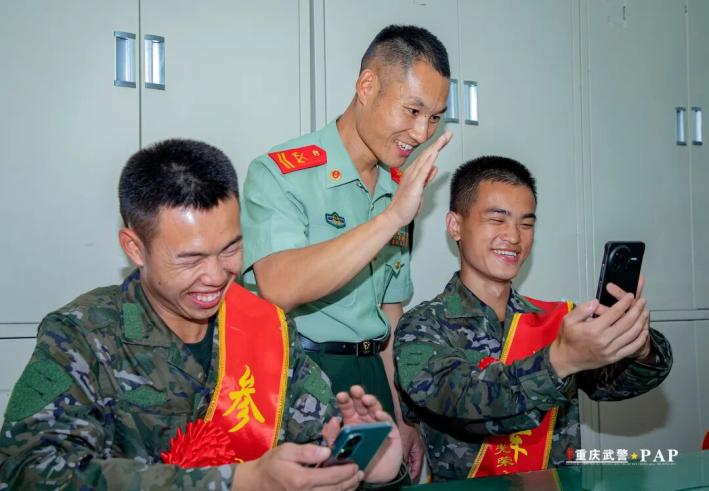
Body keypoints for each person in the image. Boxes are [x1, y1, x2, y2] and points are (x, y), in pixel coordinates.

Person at [0, 139, 405, 490]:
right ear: (135, 248)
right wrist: (234, 482)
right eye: (190, 259)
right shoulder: (82, 335)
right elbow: (27, 471)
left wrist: (368, 461)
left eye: (231, 249)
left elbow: (313, 443)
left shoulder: (266, 328)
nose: (215, 276)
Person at [240, 24, 452, 480]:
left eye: (435, 118)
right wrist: (391, 218)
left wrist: (402, 417)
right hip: (302, 376)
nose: (421, 132)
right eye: (413, 110)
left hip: (372, 381)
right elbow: (279, 286)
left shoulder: (397, 189)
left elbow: (389, 316)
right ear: (367, 86)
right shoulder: (282, 174)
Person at [394, 156, 672, 481]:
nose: (514, 236)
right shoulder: (421, 328)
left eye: (526, 224)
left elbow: (614, 385)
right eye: (497, 219)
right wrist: (559, 362)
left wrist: (638, 347)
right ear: (455, 225)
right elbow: (461, 401)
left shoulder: (556, 322)